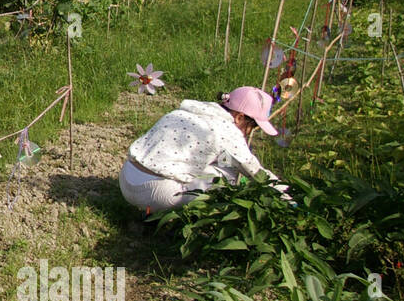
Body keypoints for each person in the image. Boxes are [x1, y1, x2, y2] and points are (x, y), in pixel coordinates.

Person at [119, 86, 287, 215]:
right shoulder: (227, 130)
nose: (249, 132)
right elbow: (255, 172)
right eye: (252, 126)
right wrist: (287, 196)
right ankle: (178, 218)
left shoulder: (184, 112)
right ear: (239, 117)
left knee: (222, 162)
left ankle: (147, 212)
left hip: (126, 178)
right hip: (155, 194)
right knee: (229, 176)